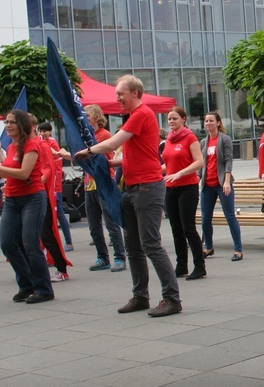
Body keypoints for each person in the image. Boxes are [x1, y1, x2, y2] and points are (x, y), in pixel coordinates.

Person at [74, 74, 182, 317]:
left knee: (150, 244)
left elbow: (113, 143)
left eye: (120, 94)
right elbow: (130, 154)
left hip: (147, 187)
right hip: (133, 188)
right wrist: (106, 164)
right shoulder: (135, 117)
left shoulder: (142, 114)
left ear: (134, 93)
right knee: (133, 246)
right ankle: (141, 296)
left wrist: (90, 151)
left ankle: (172, 299)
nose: (117, 98)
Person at [0, 110, 54, 303]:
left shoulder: (32, 144)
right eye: (6, 122)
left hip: (32, 198)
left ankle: (44, 289)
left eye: (12, 122)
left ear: (22, 125)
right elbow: (8, 170)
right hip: (12, 199)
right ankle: (27, 285)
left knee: (30, 244)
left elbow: (24, 173)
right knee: (7, 244)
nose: (8, 125)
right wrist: (0, 170)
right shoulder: (11, 146)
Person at [162, 106, 206, 280]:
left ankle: (200, 266)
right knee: (176, 229)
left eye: (175, 118)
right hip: (171, 187)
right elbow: (170, 163)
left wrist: (180, 173)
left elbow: (199, 162)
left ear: (183, 119)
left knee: (188, 228)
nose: (172, 122)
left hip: (188, 187)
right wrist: (159, 170)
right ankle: (181, 266)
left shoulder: (190, 137)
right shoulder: (168, 139)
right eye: (169, 119)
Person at [82, 104, 127, 273]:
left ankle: (119, 256)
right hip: (89, 184)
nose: (85, 117)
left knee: (111, 222)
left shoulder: (104, 135)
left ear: (96, 116)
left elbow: (109, 157)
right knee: (94, 225)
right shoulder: (86, 136)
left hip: (103, 182)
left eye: (88, 115)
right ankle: (102, 256)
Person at [199, 112, 243, 262]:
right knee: (205, 218)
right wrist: (199, 179)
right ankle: (209, 247)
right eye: (206, 121)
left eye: (211, 121)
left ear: (218, 123)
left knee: (230, 216)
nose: (208, 123)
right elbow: (201, 164)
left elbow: (228, 160)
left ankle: (238, 250)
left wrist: (227, 181)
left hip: (221, 184)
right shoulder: (203, 142)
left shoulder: (225, 139)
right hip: (207, 184)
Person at [37, 122, 73, 252]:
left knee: (59, 214)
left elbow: (54, 153)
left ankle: (68, 242)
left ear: (50, 131)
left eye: (45, 131)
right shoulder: (42, 142)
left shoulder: (51, 143)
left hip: (54, 185)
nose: (42, 133)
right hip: (48, 183)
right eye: (40, 131)